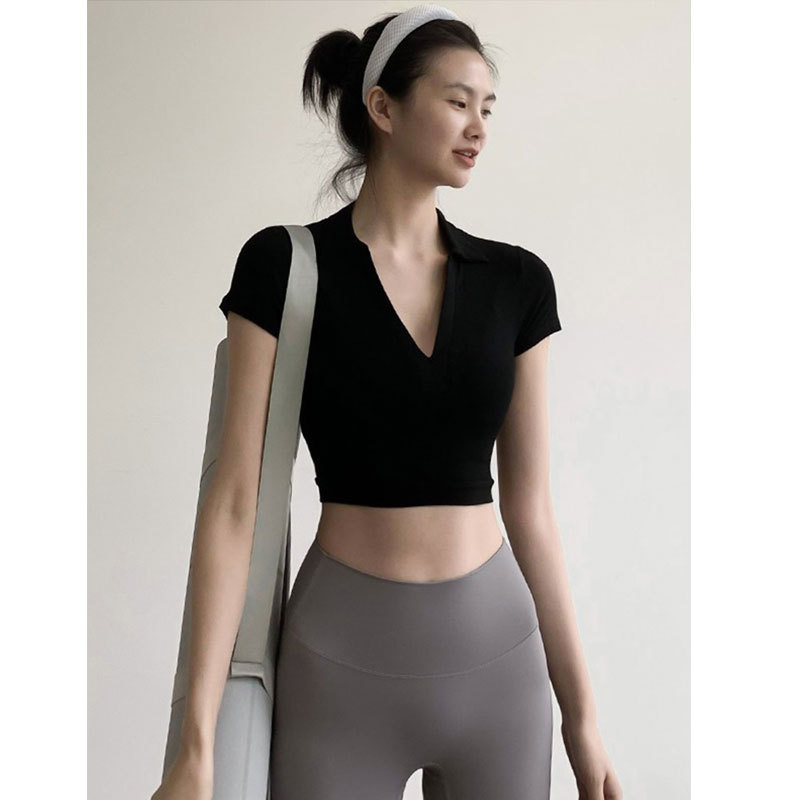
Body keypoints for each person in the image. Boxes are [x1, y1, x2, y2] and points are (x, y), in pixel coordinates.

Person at [152, 5, 623, 800]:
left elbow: (533, 512)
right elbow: (234, 506)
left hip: (500, 665)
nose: (478, 126)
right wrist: (195, 745)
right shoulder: (284, 269)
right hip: (339, 664)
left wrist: (583, 719)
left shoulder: (517, 283)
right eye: (457, 101)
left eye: (487, 107)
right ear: (383, 107)